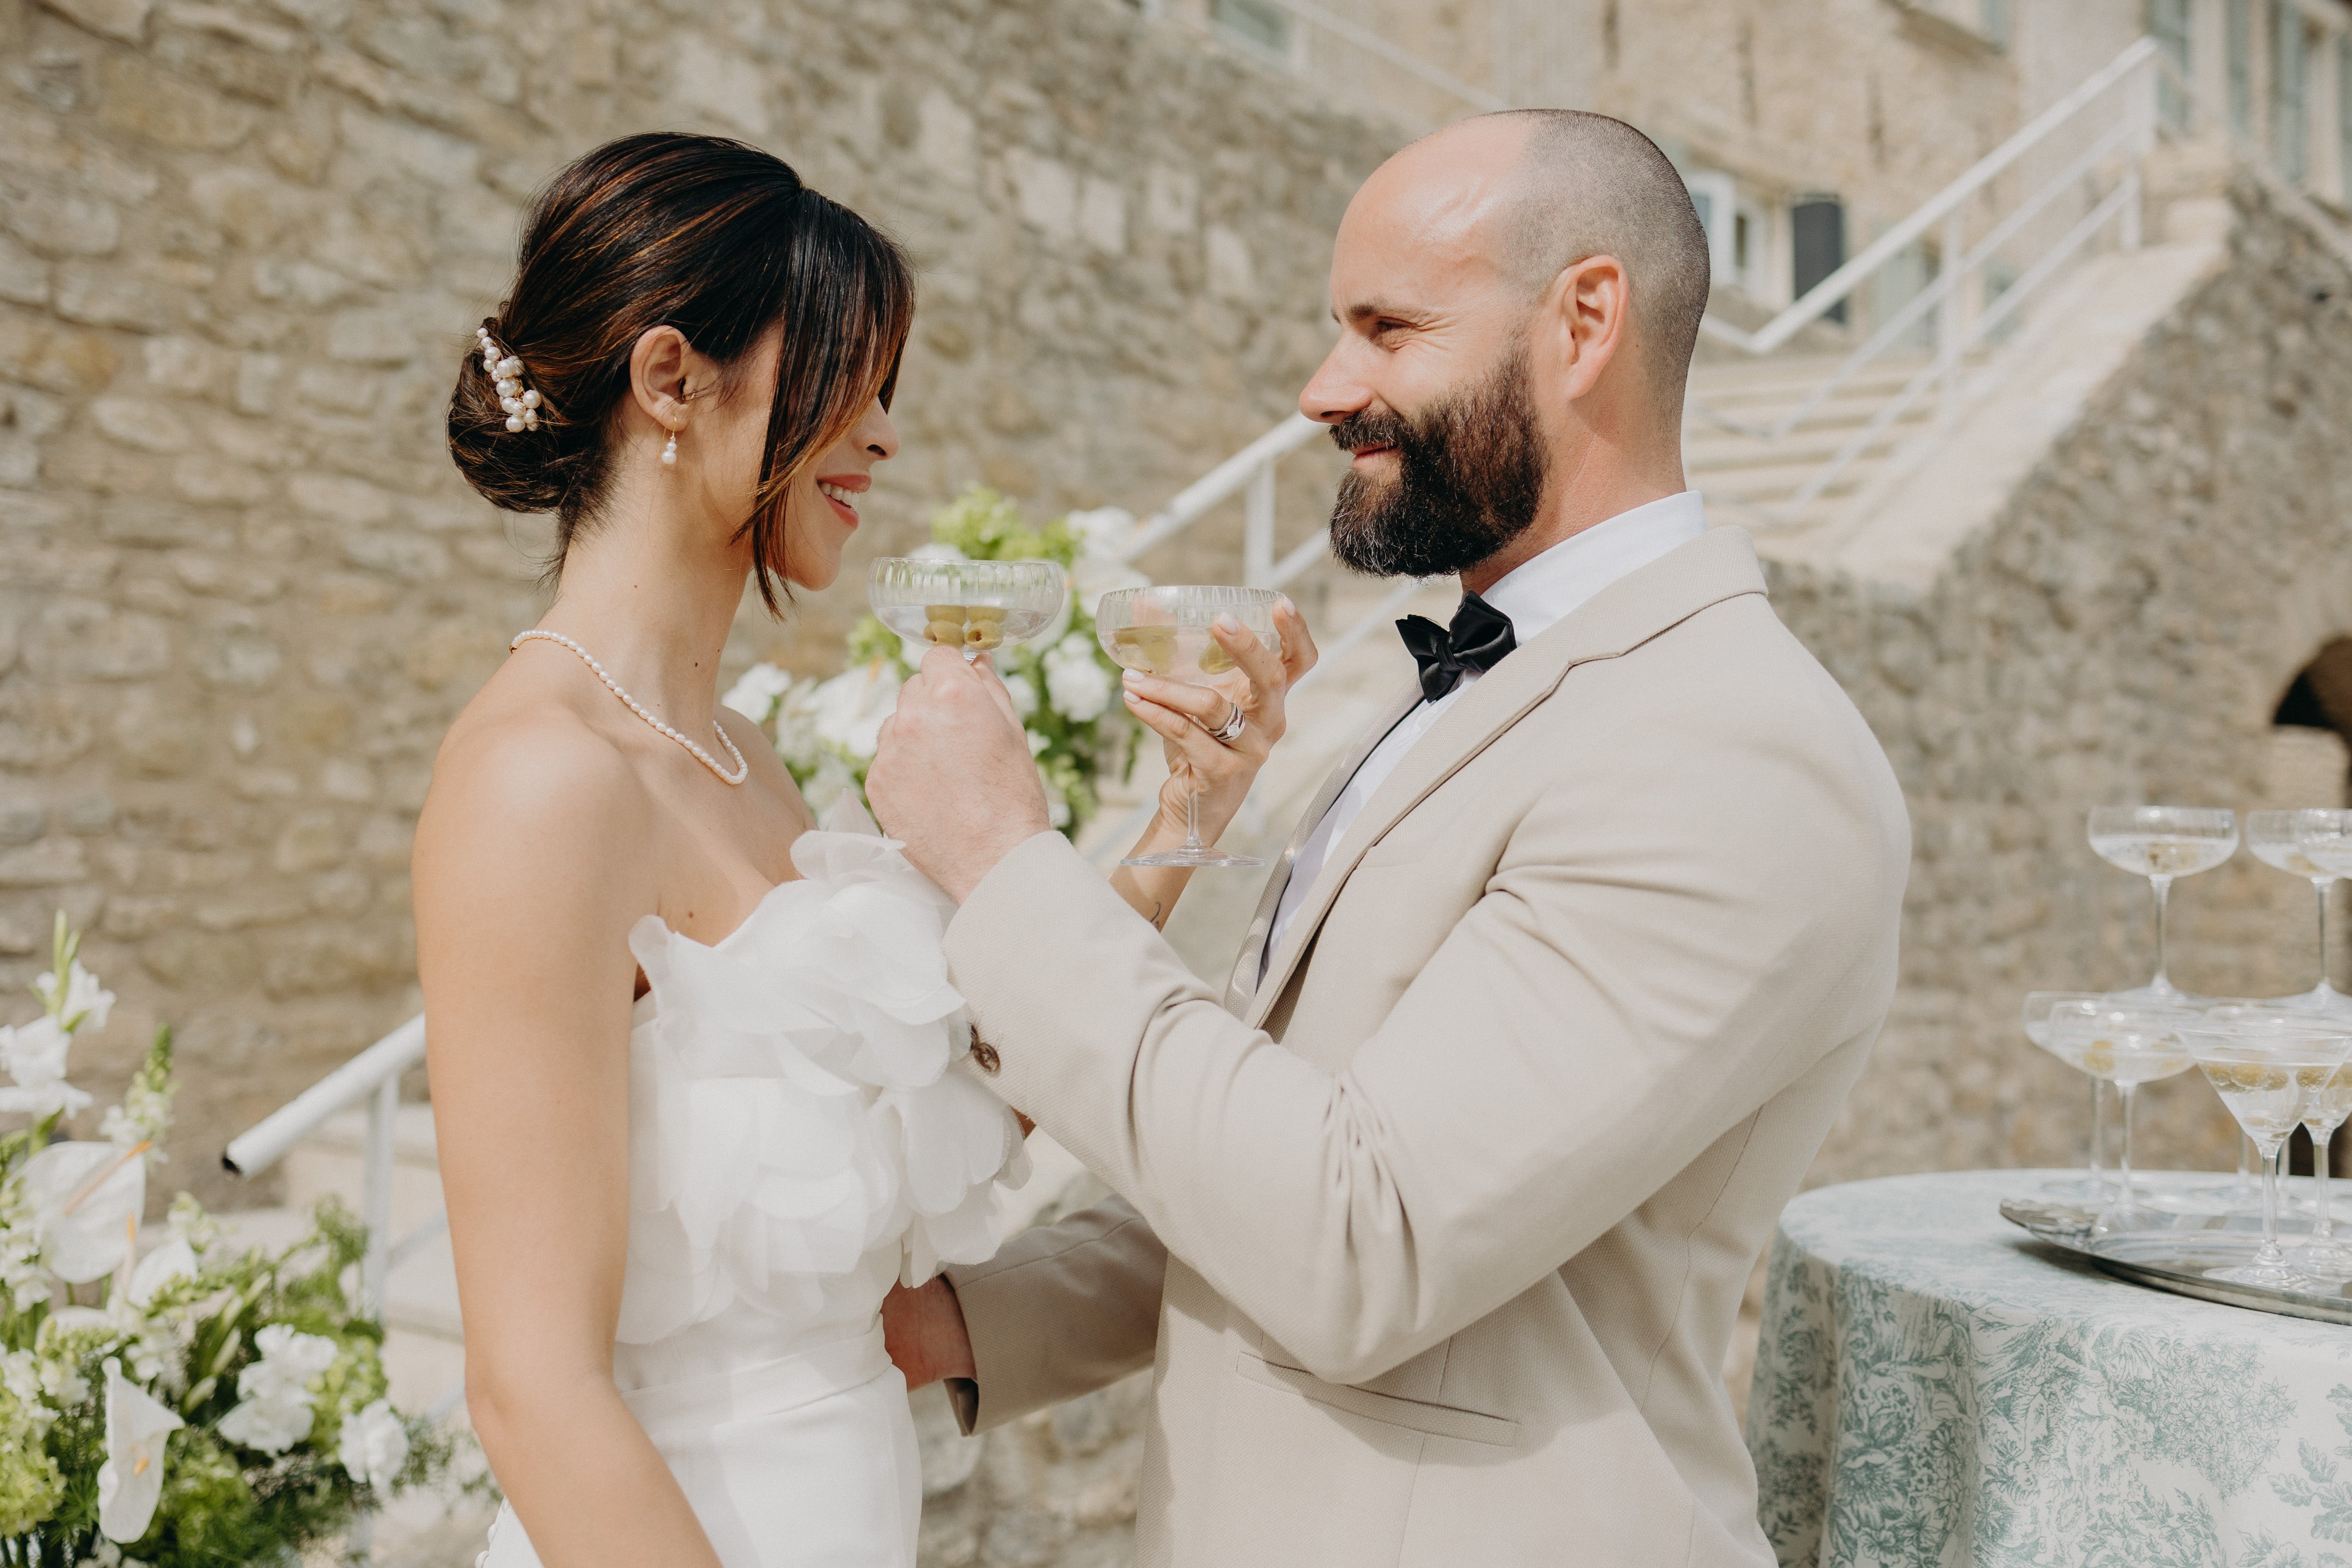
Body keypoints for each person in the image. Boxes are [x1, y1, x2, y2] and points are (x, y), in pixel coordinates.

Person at [865, 110, 1912, 1566]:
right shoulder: (1484, 680)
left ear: (1585, 322)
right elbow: (1270, 1151)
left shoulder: (1733, 751)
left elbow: (1362, 1239)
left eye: (1388, 329)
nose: (1322, 389)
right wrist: (965, 1321)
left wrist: (1001, 861)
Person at [412, 132, 1309, 1568]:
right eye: (850, 380)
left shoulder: (738, 757)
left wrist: (1184, 818)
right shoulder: (542, 782)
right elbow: (535, 1393)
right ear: (670, 380)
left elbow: (940, 1114)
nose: (885, 438)